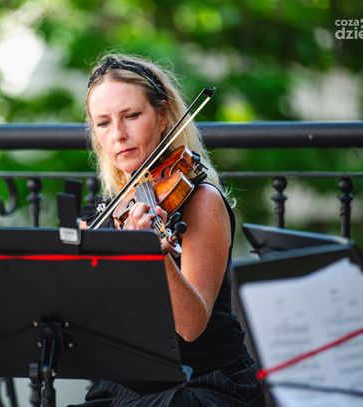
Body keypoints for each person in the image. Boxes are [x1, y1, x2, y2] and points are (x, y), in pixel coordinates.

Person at [73, 54, 265, 406]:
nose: (118, 135)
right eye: (103, 123)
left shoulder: (200, 200)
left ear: (162, 117)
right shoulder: (105, 212)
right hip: (125, 386)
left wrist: (151, 253)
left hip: (201, 383)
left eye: (132, 116)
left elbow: (190, 327)